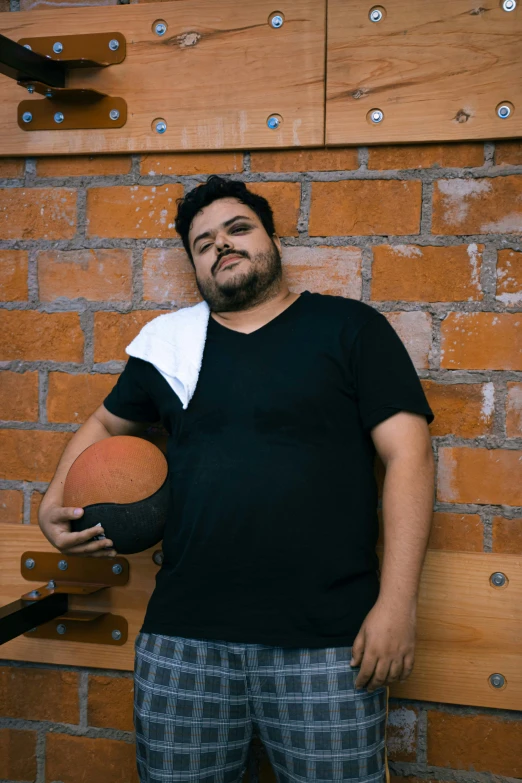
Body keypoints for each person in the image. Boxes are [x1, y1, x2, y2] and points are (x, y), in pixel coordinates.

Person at [39, 175, 435, 782]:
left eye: (237, 229)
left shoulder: (349, 329)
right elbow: (103, 422)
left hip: (328, 642)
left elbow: (411, 457)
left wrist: (398, 603)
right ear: (195, 266)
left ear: (271, 240)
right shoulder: (170, 348)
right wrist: (53, 502)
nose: (221, 245)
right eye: (203, 243)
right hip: (183, 641)